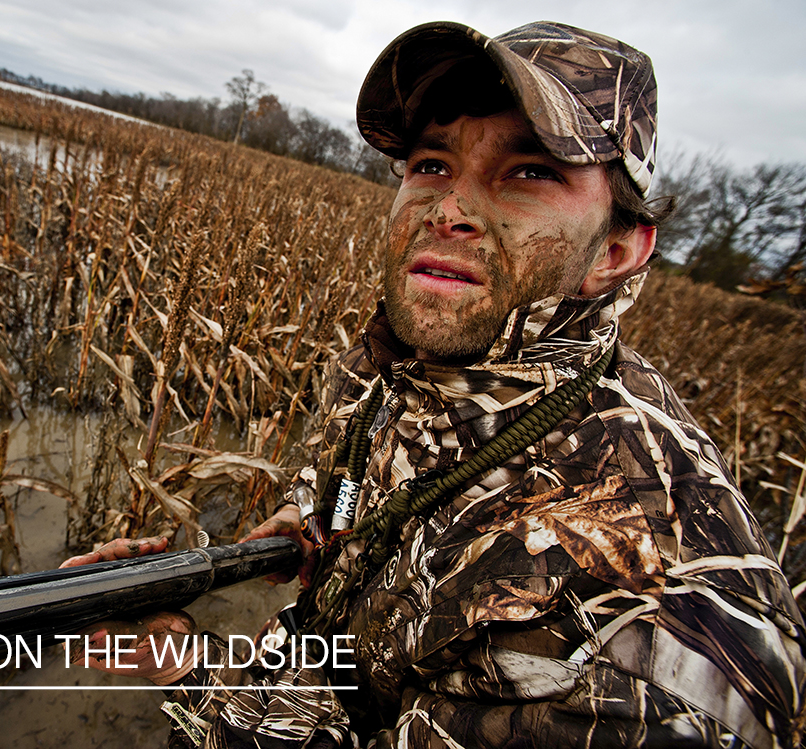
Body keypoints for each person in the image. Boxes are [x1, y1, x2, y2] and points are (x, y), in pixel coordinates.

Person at [62, 20, 806, 748]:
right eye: (431, 163)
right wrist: (312, 522)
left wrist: (188, 663)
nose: (448, 210)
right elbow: (371, 462)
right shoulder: (405, 356)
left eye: (530, 172)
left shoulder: (627, 639)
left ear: (615, 249)